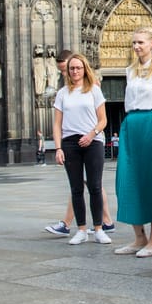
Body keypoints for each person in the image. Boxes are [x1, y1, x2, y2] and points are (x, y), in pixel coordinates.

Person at [114, 26, 152, 257]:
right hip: (131, 125)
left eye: (140, 42)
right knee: (128, 180)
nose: (136, 46)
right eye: (134, 43)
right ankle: (139, 238)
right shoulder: (130, 70)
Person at [44, 50, 115, 236]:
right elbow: (57, 123)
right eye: (70, 69)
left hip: (92, 140)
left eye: (77, 68)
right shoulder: (62, 93)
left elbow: (103, 119)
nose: (73, 72)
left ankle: (99, 226)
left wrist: (91, 135)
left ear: (84, 69)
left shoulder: (94, 89)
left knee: (95, 185)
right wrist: (58, 147)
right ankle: (83, 228)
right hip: (70, 143)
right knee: (78, 186)